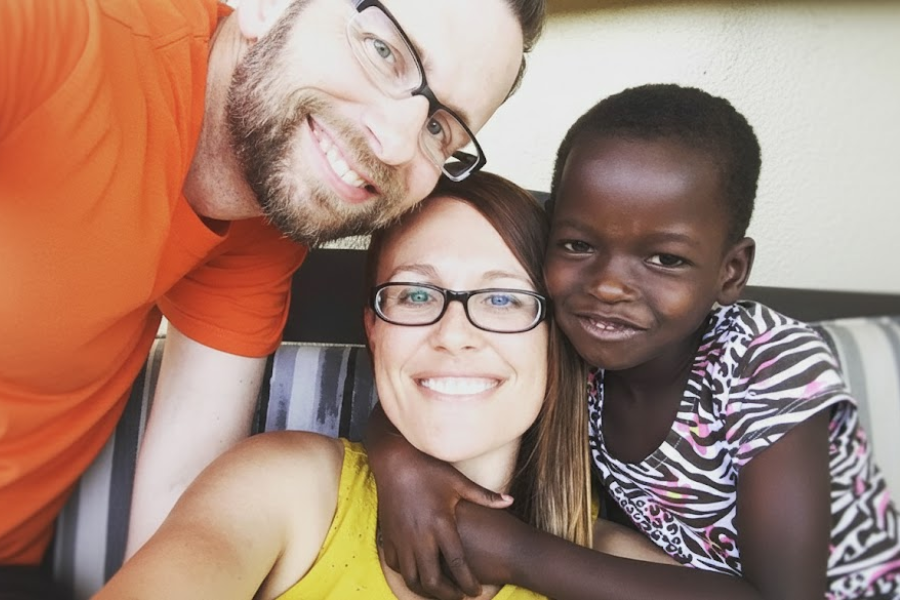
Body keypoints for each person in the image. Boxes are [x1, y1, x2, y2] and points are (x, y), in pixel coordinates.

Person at [0, 0, 544, 590]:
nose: (394, 143)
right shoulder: (59, 37)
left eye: (439, 128)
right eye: (384, 51)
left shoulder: (263, 226)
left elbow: (180, 502)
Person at [368, 84, 900, 599]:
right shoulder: (577, 337)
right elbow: (433, 386)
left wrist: (511, 551)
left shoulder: (767, 364)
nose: (607, 287)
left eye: (665, 259)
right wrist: (400, 464)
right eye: (578, 245)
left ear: (731, 271)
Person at [93, 172, 672, 600]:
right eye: (416, 294)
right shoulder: (287, 490)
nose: (454, 335)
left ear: (555, 337)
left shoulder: (618, 569)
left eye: (502, 299)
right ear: (374, 329)